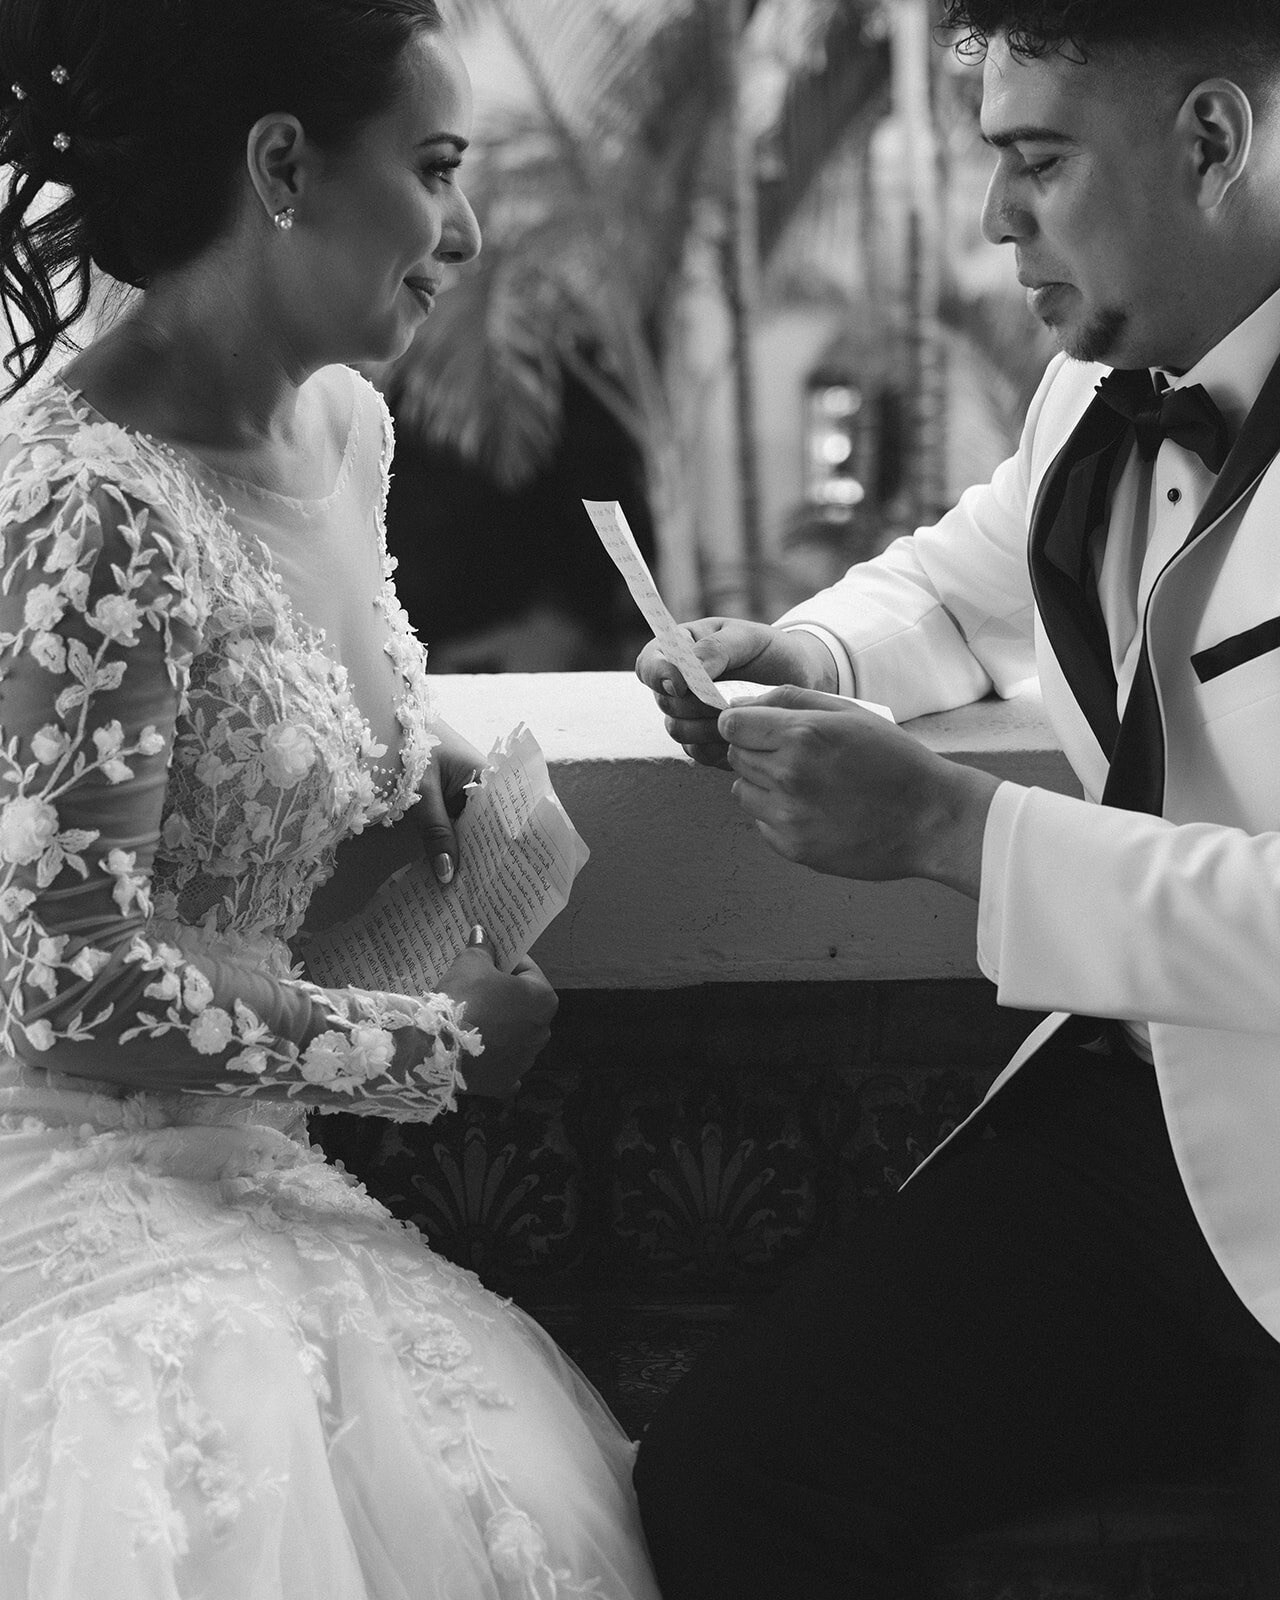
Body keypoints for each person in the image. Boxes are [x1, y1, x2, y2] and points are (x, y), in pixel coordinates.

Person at [0, 2, 662, 1596]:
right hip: (79, 1187)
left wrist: (418, 782)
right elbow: (66, 979)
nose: (465, 233)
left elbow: (285, 700)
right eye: (437, 167)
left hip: (256, 1163)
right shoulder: (88, 501)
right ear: (283, 163)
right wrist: (437, 1048)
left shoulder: (340, 428)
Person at [633, 1, 1280, 1595]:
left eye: (1038, 160)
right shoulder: (1100, 385)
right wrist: (810, 650)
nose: (998, 214)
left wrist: (949, 826)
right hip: (1146, 1140)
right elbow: (963, 589)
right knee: (728, 1477)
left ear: (1214, 140)